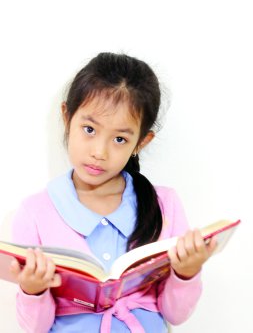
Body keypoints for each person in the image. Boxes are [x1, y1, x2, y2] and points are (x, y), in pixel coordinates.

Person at [10, 52, 216, 333]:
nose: (99, 152)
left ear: (141, 142)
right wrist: (33, 291)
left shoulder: (164, 205)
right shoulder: (35, 213)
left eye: (120, 139)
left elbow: (176, 314)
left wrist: (186, 273)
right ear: (66, 117)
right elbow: (35, 327)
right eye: (89, 129)